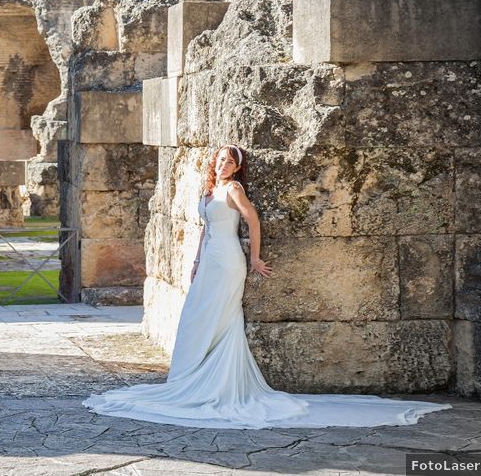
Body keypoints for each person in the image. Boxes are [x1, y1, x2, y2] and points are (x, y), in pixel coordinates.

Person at [83, 144, 449, 429]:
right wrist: (194, 260)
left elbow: (252, 220)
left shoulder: (235, 189)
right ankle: (191, 376)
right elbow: (205, 230)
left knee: (219, 320)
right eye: (218, 160)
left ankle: (213, 383)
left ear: (237, 166)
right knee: (196, 316)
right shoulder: (212, 189)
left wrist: (255, 258)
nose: (221, 165)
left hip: (228, 262)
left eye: (227, 162)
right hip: (208, 260)